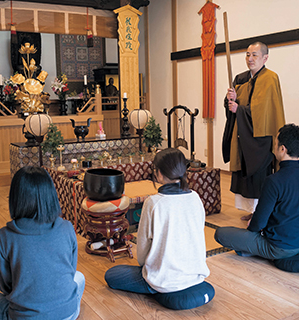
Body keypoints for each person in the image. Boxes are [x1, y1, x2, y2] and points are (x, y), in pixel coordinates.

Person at [105, 148, 214, 309]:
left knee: (112, 275)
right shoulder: (196, 197)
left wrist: (146, 267)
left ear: (159, 173)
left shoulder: (154, 202)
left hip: (163, 278)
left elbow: (142, 248)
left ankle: (157, 290)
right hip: (195, 273)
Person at [0, 166, 85, 319]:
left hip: (24, 316)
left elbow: (6, 287)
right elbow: (70, 270)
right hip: (67, 314)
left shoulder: (5, 235)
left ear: (16, 198)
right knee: (79, 277)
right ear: (51, 195)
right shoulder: (67, 227)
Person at [215, 124, 299, 260]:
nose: (274, 147)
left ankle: (252, 250)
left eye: (276, 143)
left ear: (283, 149)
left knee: (221, 233)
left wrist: (253, 227)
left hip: (278, 248)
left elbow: (258, 224)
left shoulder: (274, 181)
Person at [222, 41, 285, 220]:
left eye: (255, 55)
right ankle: (253, 211)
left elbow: (263, 111)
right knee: (244, 176)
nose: (250, 59)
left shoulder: (270, 78)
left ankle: (262, 214)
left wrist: (239, 109)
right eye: (248, 55)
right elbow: (232, 107)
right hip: (243, 135)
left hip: (261, 138)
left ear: (265, 57)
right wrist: (230, 100)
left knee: (260, 177)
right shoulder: (241, 78)